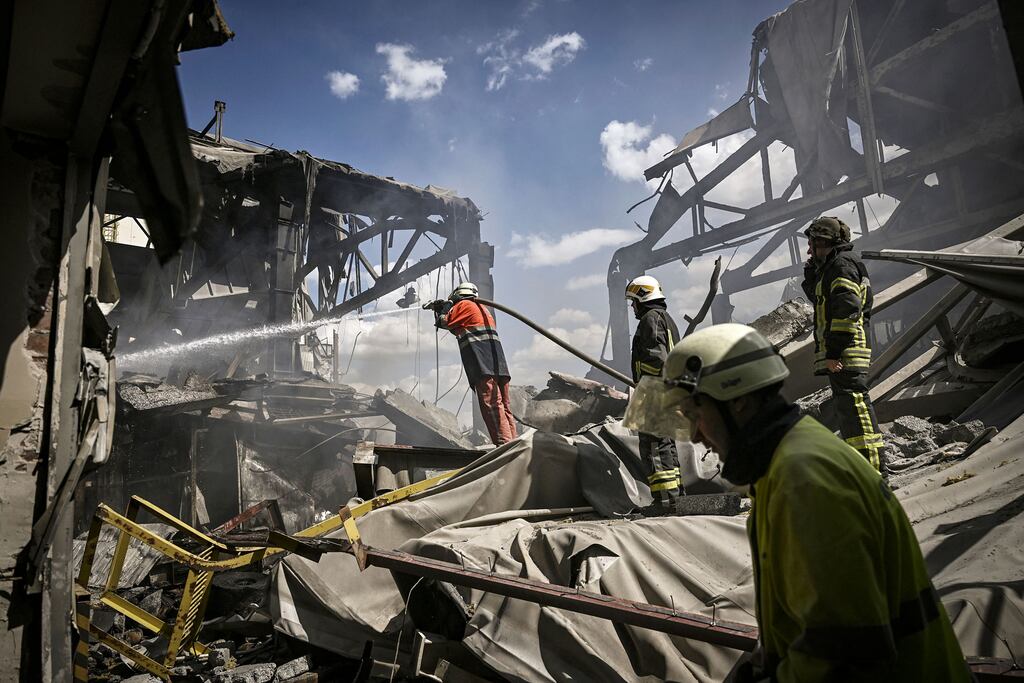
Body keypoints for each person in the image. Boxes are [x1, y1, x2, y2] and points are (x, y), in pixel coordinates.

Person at [623, 323, 969, 682]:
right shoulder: (781, 467)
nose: (694, 436)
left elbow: (846, 658)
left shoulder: (805, 480)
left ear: (737, 401)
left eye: (695, 414)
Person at [801, 216, 884, 471]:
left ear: (823, 242)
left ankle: (873, 471)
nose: (808, 250)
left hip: (846, 350)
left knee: (855, 407)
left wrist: (834, 352)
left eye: (812, 244)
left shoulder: (842, 265)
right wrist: (811, 273)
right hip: (845, 349)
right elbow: (822, 298)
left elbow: (847, 309)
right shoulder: (834, 267)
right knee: (849, 408)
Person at [425, 282, 516, 445]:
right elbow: (456, 327)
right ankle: (513, 442)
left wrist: (445, 308)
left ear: (458, 294)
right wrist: (441, 309)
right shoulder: (482, 309)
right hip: (498, 366)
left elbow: (444, 322)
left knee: (491, 404)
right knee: (503, 405)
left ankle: (505, 446)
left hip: (482, 362)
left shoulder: (464, 305)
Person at [625, 275, 683, 506]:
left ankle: (665, 499)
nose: (632, 307)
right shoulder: (666, 318)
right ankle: (676, 495)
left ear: (642, 296)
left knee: (654, 445)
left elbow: (657, 360)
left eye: (633, 301)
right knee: (666, 443)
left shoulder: (650, 319)